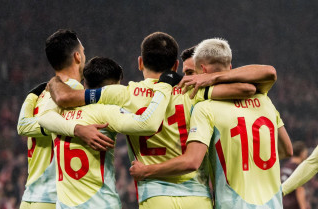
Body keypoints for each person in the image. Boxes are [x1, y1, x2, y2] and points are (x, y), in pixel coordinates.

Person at [47, 32, 279, 209]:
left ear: (140, 63)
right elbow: (247, 88)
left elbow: (66, 98)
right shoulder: (193, 91)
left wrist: (56, 80)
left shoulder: (123, 93)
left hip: (154, 196)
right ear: (176, 65)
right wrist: (210, 79)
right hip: (197, 197)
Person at [129, 38, 293, 209]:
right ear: (230, 68)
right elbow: (287, 150)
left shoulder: (205, 108)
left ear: (202, 71)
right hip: (273, 204)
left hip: (232, 203)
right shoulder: (263, 99)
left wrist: (146, 170)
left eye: (191, 73)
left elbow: (191, 161)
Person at [37, 56, 181, 209]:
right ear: (112, 87)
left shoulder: (58, 112)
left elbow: (43, 117)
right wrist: (164, 86)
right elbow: (147, 123)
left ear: (85, 82)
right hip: (102, 204)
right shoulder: (106, 112)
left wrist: (55, 82)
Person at [17, 29, 112, 209]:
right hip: (52, 199)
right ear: (77, 56)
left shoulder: (40, 95)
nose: (84, 56)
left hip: (29, 198)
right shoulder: (74, 93)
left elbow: (23, 126)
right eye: (83, 52)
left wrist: (30, 96)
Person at [281, 141, 309, 209]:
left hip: (283, 204)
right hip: (294, 205)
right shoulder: (299, 168)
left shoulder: (285, 166)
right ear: (302, 153)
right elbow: (300, 190)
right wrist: (303, 207)